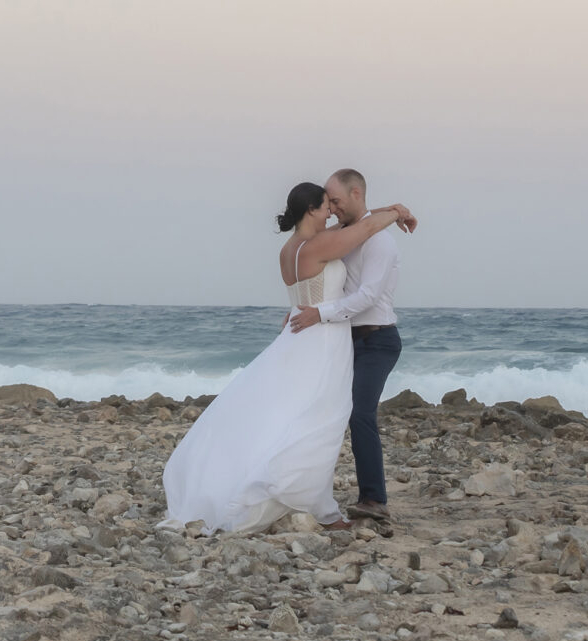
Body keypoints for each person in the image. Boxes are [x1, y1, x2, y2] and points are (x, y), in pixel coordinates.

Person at [160, 181, 415, 534]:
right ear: (311, 209)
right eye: (326, 206)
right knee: (320, 419)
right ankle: (318, 505)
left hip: (298, 335)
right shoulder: (320, 245)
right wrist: (398, 211)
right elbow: (365, 226)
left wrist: (389, 209)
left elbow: (357, 224)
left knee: (293, 412)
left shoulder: (289, 249)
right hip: (323, 338)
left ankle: (307, 496)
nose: (331, 213)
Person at [288, 167, 409, 523]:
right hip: (344, 341)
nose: (333, 209)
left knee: (360, 413)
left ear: (356, 194)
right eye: (328, 203)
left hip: (377, 340)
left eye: (336, 201)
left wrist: (319, 313)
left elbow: (367, 296)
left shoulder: (381, 242)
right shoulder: (345, 235)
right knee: (325, 412)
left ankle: (374, 499)